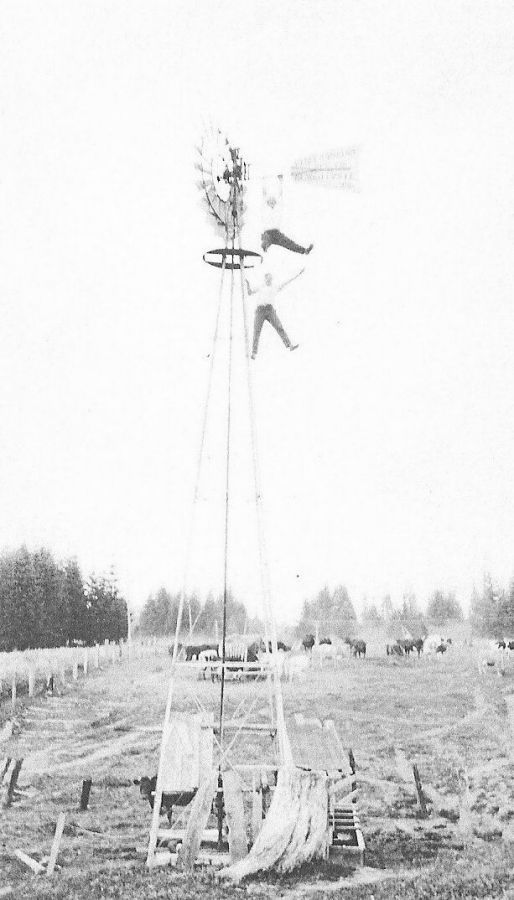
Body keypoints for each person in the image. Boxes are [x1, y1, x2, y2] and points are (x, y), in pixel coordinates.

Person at [246, 266, 305, 358]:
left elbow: (287, 281)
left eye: (270, 279)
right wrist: (247, 284)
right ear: (265, 279)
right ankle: (254, 352)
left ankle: (289, 345)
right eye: (267, 279)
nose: (268, 280)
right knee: (257, 331)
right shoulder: (261, 286)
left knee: (279, 326)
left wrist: (298, 274)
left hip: (270, 310)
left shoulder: (275, 287)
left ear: (271, 279)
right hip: (260, 310)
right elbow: (250, 293)